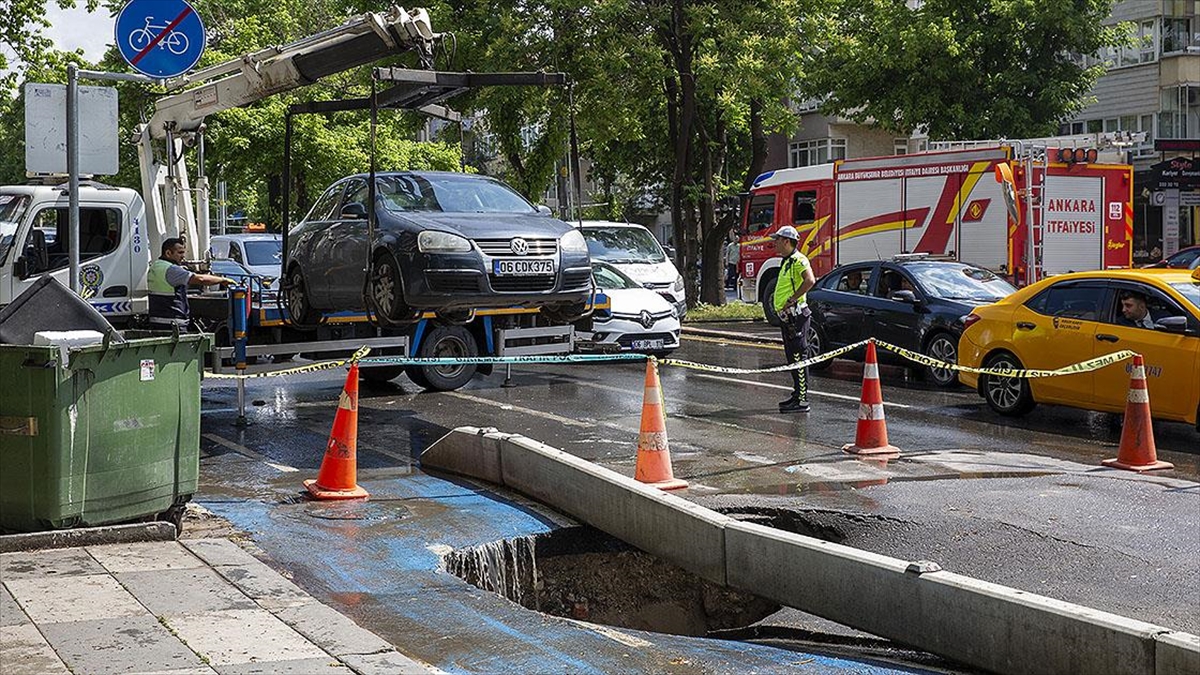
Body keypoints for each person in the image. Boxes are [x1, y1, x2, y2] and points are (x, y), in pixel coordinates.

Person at [771, 226, 817, 413]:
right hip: (787, 318)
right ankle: (797, 394)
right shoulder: (787, 261)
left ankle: (802, 400)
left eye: (777, 240)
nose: (774, 243)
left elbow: (810, 280)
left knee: (799, 357)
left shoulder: (799, 260)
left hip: (796, 317)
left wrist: (792, 299)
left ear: (786, 241)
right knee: (792, 358)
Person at [148, 237, 237, 330]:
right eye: (180, 253)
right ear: (168, 253)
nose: (183, 256)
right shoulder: (172, 270)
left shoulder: (156, 266)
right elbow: (201, 279)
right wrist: (222, 280)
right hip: (173, 323)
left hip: (157, 320)